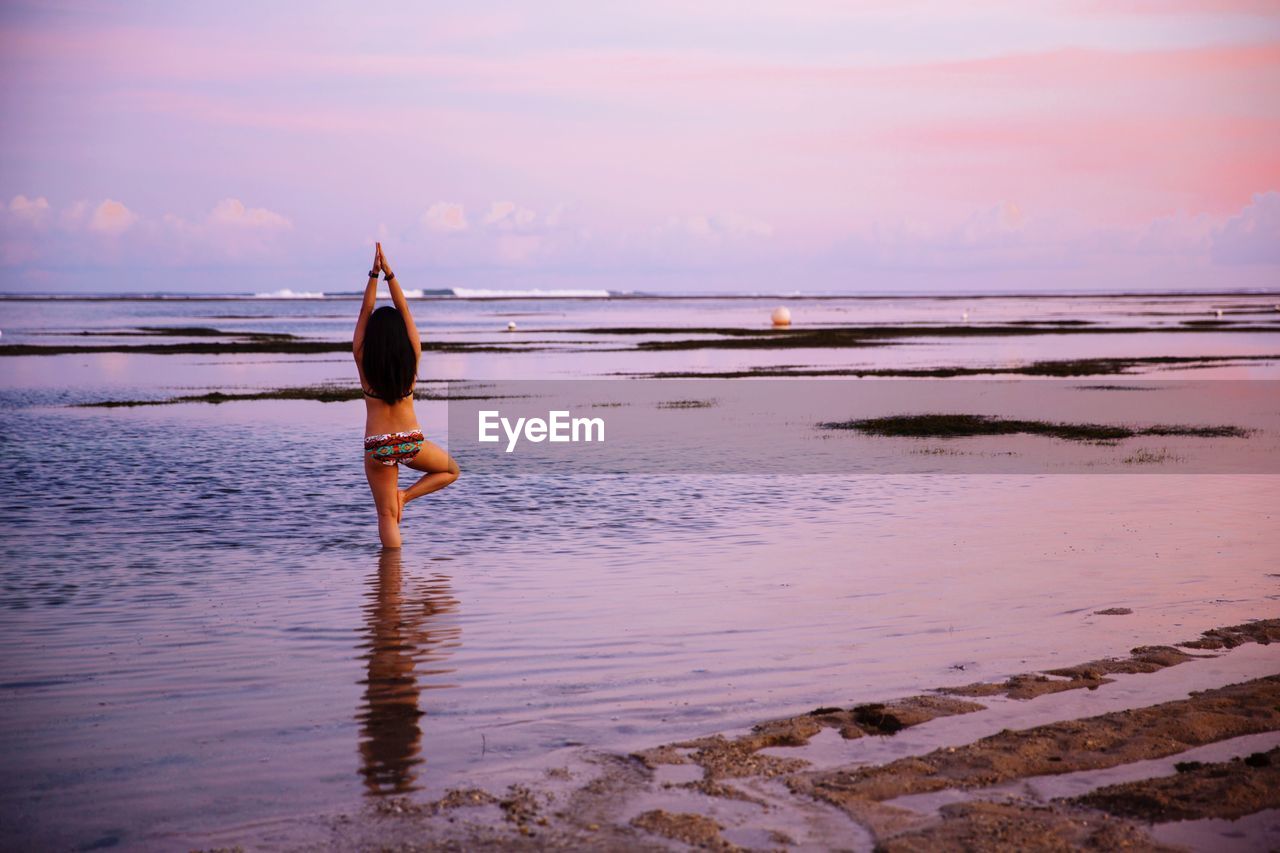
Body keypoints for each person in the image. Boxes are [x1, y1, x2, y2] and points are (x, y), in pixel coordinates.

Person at [354, 243, 459, 548]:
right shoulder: (411, 357)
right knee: (451, 470)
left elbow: (365, 311)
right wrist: (390, 274)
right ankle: (407, 496)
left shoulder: (363, 358)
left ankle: (390, 584)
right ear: (401, 338)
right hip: (410, 441)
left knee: (386, 517)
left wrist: (373, 274)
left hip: (377, 447)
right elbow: (405, 310)